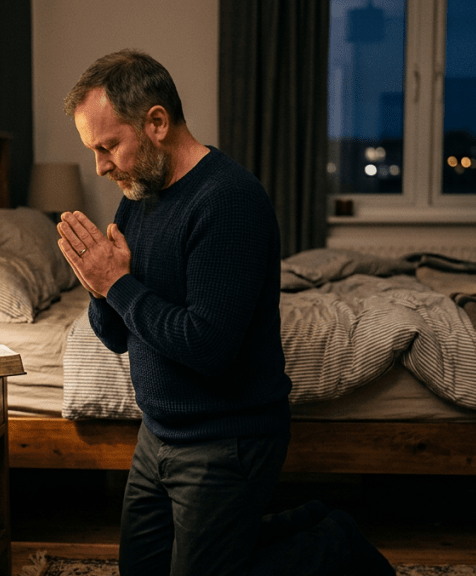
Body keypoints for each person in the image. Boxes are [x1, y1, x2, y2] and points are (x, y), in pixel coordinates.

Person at [55, 49, 395, 576]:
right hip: (158, 434)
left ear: (157, 122)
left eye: (108, 147)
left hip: (226, 439)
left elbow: (207, 347)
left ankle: (331, 545)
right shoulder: (137, 197)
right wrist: (99, 289)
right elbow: (121, 338)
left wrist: (116, 283)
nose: (100, 167)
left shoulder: (229, 200)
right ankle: (286, 530)